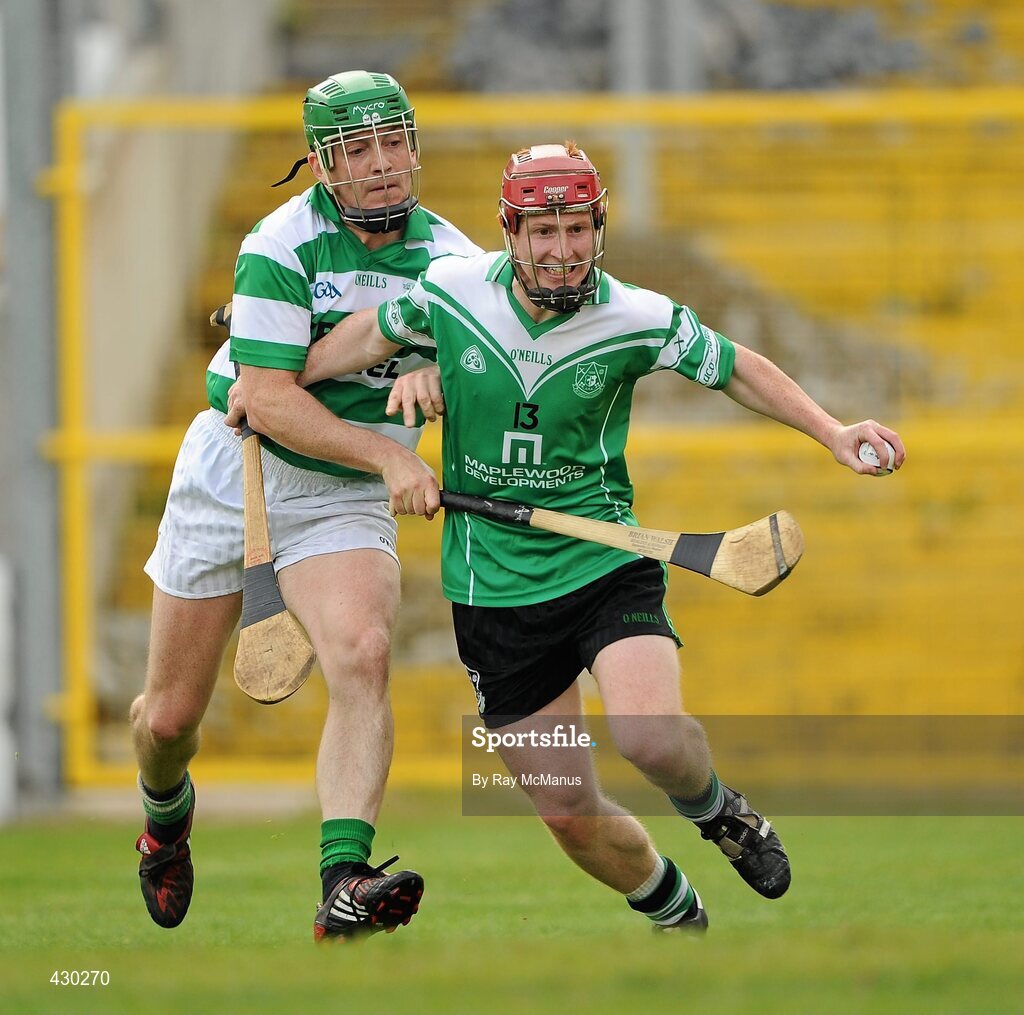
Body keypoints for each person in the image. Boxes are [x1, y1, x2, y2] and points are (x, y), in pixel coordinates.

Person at [228, 141, 906, 932]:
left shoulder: (636, 316)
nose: (561, 251)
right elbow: (367, 337)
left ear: (598, 225)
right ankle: (677, 912)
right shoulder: (448, 292)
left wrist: (830, 431)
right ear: (510, 232)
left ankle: (722, 813)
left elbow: (735, 367)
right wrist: (265, 380)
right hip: (492, 591)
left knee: (650, 737)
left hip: (603, 558)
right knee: (566, 810)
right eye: (541, 232)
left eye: (577, 228)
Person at [131, 69, 480, 942]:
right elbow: (270, 400)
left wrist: (443, 373)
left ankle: (345, 882)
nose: (382, 164)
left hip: (342, 498)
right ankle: (165, 816)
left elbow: (488, 367)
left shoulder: (458, 263)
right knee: (168, 719)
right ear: (324, 164)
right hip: (236, 468)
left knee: (362, 653)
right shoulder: (281, 245)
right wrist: (387, 456)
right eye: (357, 149)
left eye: (393, 141)